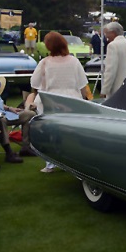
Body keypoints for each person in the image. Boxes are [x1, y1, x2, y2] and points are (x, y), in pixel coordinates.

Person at [26, 31, 90, 172]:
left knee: (50, 133)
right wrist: (84, 99)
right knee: (72, 133)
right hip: (71, 100)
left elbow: (34, 83)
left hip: (50, 100)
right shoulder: (74, 61)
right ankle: (74, 160)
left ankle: (50, 163)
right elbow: (82, 84)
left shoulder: (45, 62)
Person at [101, 22, 126, 99]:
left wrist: (105, 90)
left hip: (117, 90)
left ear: (113, 33)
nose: (106, 36)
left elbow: (110, 71)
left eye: (106, 33)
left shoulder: (112, 46)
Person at [0, 89, 37, 158]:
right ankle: (8, 152)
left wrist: (9, 108)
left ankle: (26, 147)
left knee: (29, 114)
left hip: (5, 114)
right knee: (1, 120)